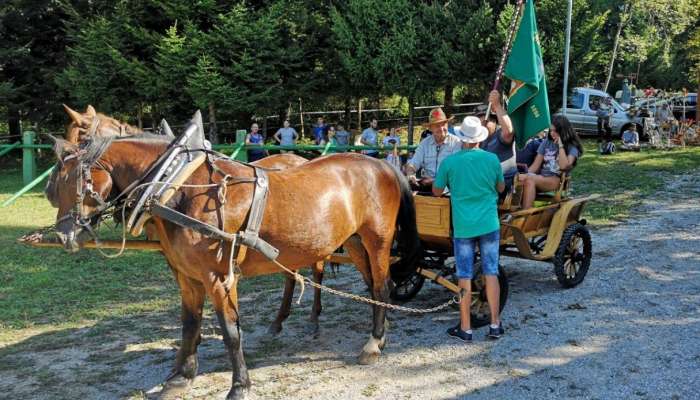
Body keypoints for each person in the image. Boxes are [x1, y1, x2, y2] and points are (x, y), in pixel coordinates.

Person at [432, 116, 505, 342]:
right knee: (491, 271)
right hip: (489, 223)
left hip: (464, 226)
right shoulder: (492, 159)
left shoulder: (450, 162)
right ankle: (495, 324)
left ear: (462, 138)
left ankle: (466, 327)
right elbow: (501, 187)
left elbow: (436, 191)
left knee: (464, 275)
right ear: (480, 139)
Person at [519, 115, 583, 209]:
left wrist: (560, 145)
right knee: (519, 178)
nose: (552, 133)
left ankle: (525, 215)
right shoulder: (546, 142)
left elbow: (563, 166)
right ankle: (516, 211)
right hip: (540, 177)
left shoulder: (572, 147)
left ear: (563, 131)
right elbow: (535, 166)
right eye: (551, 130)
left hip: (555, 180)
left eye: (555, 131)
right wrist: (525, 174)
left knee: (530, 180)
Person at [404, 108, 462, 191]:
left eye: (443, 124)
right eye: (437, 126)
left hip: (448, 189)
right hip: (427, 188)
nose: (441, 128)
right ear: (430, 128)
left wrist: (436, 181)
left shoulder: (456, 143)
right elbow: (413, 164)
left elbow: (456, 171)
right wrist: (410, 173)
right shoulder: (424, 143)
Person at [479, 90, 517, 193]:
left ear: (495, 122)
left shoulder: (500, 134)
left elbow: (508, 131)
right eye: (480, 120)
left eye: (488, 120)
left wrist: (497, 106)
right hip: (483, 184)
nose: (484, 123)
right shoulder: (477, 139)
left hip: (504, 184)